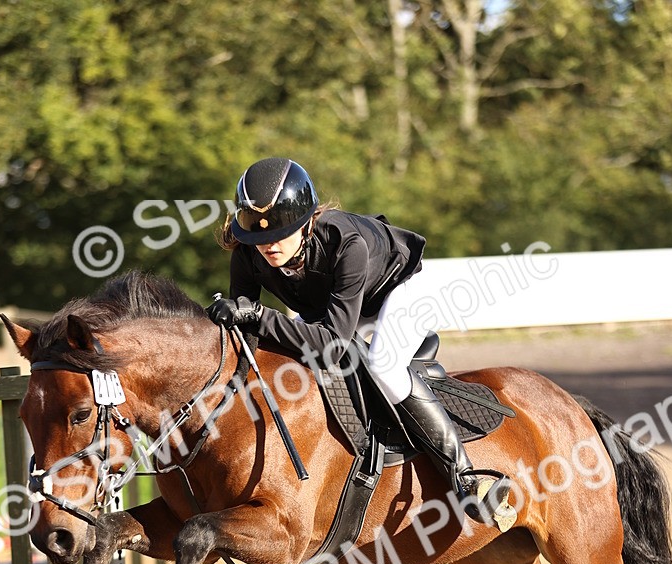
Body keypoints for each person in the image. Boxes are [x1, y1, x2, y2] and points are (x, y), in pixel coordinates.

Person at [206, 156, 514, 527]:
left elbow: (333, 341)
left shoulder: (346, 243)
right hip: (335, 305)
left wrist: (257, 315)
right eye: (259, 236)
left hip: (398, 290)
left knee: (384, 366)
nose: (269, 245)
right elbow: (248, 335)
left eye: (279, 233)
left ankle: (467, 478)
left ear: (306, 223)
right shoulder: (248, 253)